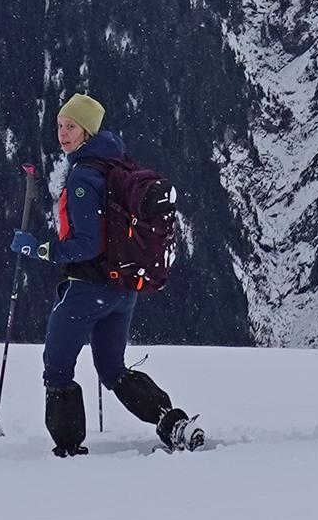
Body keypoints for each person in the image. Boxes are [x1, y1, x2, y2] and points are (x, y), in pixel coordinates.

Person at [11, 92, 197, 456]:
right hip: (122, 290)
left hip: (88, 289)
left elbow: (87, 245)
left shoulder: (83, 177)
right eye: (60, 126)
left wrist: (40, 248)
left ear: (88, 131)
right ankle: (172, 422)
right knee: (113, 369)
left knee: (58, 367)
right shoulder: (115, 164)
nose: (62, 134)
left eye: (71, 127)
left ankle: (68, 449)